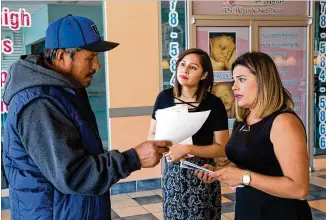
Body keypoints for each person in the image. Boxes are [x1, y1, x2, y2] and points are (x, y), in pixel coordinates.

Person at [2, 15, 171, 220]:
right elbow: (73, 175)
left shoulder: (66, 91)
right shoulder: (39, 103)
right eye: (90, 58)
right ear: (62, 56)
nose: (96, 66)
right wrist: (132, 158)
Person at [196, 52, 312, 220]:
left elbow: (299, 189)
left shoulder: (283, 122)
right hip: (248, 210)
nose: (234, 87)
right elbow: (254, 164)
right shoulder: (242, 120)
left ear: (263, 82)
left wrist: (244, 177)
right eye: (234, 80)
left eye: (241, 79)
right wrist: (222, 172)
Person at [148, 48, 229, 220]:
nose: (185, 70)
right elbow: (152, 134)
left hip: (202, 174)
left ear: (204, 74)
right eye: (182, 64)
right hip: (173, 175)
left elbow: (222, 148)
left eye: (193, 67)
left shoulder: (214, 103)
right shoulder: (164, 97)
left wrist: (187, 148)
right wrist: (164, 149)